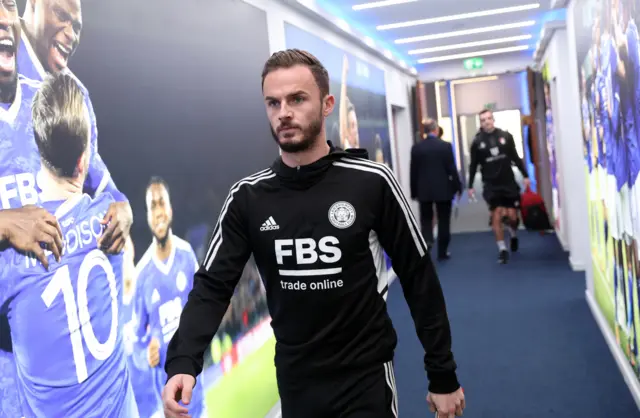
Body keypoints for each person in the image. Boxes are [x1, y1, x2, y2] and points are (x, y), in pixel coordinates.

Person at [162, 49, 464, 418]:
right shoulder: (248, 197)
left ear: (327, 104)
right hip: (296, 381)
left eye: (297, 99)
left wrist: (442, 374)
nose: (283, 112)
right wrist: (183, 361)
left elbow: (419, 279)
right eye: (273, 103)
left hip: (364, 378)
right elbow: (212, 285)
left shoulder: (371, 182)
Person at [0, 72, 138, 417]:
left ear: (36, 142)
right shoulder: (112, 224)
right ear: (84, 160)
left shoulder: (12, 262)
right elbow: (115, 201)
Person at [135, 177, 204, 418]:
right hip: (166, 407)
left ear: (170, 209)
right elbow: (135, 341)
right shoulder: (141, 274)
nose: (158, 211)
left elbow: (202, 308)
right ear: (147, 216)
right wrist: (145, 354)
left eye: (161, 203)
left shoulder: (186, 255)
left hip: (197, 399)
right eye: (152, 206)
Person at [468, 109, 530, 264]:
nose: (486, 122)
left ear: (493, 119)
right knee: (497, 213)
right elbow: (473, 165)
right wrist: (470, 186)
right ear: (480, 123)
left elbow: (515, 157)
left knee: (512, 217)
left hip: (508, 182)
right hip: (491, 185)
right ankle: (502, 249)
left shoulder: (505, 136)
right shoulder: (477, 142)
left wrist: (526, 176)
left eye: (489, 118)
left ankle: (513, 234)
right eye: (483, 120)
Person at [410, 118, 461, 260]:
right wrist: (458, 186)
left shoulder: (417, 148)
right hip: (443, 190)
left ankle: (427, 241)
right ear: (436, 130)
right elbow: (451, 169)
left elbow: (413, 172)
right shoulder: (445, 146)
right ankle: (442, 252)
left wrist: (414, 191)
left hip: (424, 191)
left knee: (426, 219)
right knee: (444, 220)